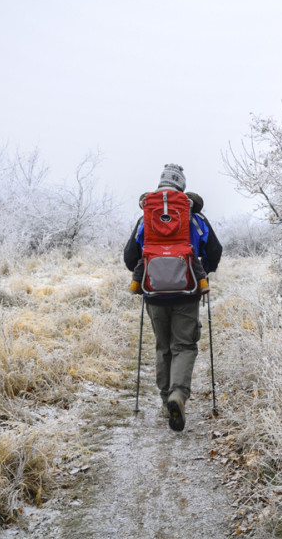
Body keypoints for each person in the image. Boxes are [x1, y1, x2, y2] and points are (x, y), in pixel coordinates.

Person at [123, 163, 222, 431]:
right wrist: (204, 271)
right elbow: (215, 251)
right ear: (182, 186)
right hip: (188, 291)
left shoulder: (146, 217)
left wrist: (146, 272)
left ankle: (167, 399)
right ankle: (179, 394)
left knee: (162, 347)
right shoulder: (194, 217)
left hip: (154, 293)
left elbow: (130, 257)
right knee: (184, 346)